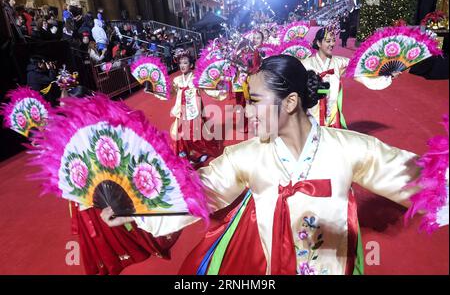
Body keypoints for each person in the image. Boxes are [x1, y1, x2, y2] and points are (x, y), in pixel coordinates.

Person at [101, 55, 424, 275]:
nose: (247, 112)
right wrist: (138, 206)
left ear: (291, 101)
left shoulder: (350, 149)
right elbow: (199, 192)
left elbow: (421, 182)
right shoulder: (247, 156)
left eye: (254, 101)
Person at [302, 27, 397, 128]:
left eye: (333, 40)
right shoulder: (306, 64)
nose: (332, 44)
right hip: (312, 117)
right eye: (328, 41)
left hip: (332, 117)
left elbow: (362, 74)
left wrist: (386, 76)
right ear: (318, 43)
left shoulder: (340, 62)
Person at [169, 50, 226, 168]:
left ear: (190, 65)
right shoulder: (177, 80)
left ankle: (202, 152)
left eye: (185, 63)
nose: (182, 66)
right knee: (179, 134)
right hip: (181, 111)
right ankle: (184, 156)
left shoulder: (196, 77)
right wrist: (154, 88)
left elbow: (208, 88)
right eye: (180, 63)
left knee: (196, 134)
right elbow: (171, 93)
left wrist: (219, 88)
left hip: (194, 111)